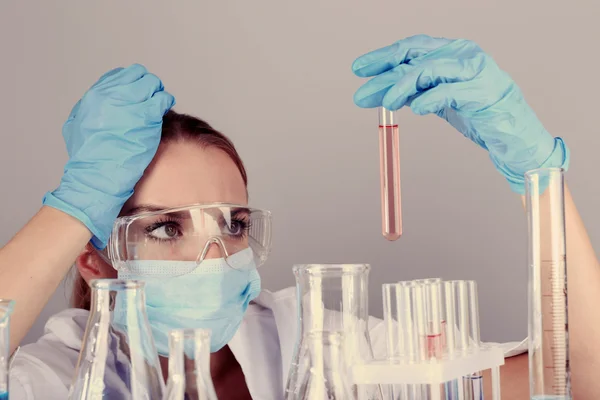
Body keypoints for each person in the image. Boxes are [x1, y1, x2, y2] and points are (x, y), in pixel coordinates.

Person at [0, 34, 597, 399]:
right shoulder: (61, 374)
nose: (217, 257)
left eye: (232, 224)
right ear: (98, 260)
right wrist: (73, 208)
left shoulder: (311, 340)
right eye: (165, 227)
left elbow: (581, 379)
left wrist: (540, 178)